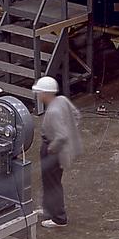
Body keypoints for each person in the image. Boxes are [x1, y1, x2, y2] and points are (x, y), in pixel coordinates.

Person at [33, 76, 82, 230]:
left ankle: (59, 218)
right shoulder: (61, 100)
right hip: (56, 149)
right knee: (49, 182)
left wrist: (52, 147)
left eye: (39, 93)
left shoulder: (53, 111)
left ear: (46, 93)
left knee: (52, 184)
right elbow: (76, 115)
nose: (38, 96)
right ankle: (49, 210)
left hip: (52, 150)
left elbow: (61, 136)